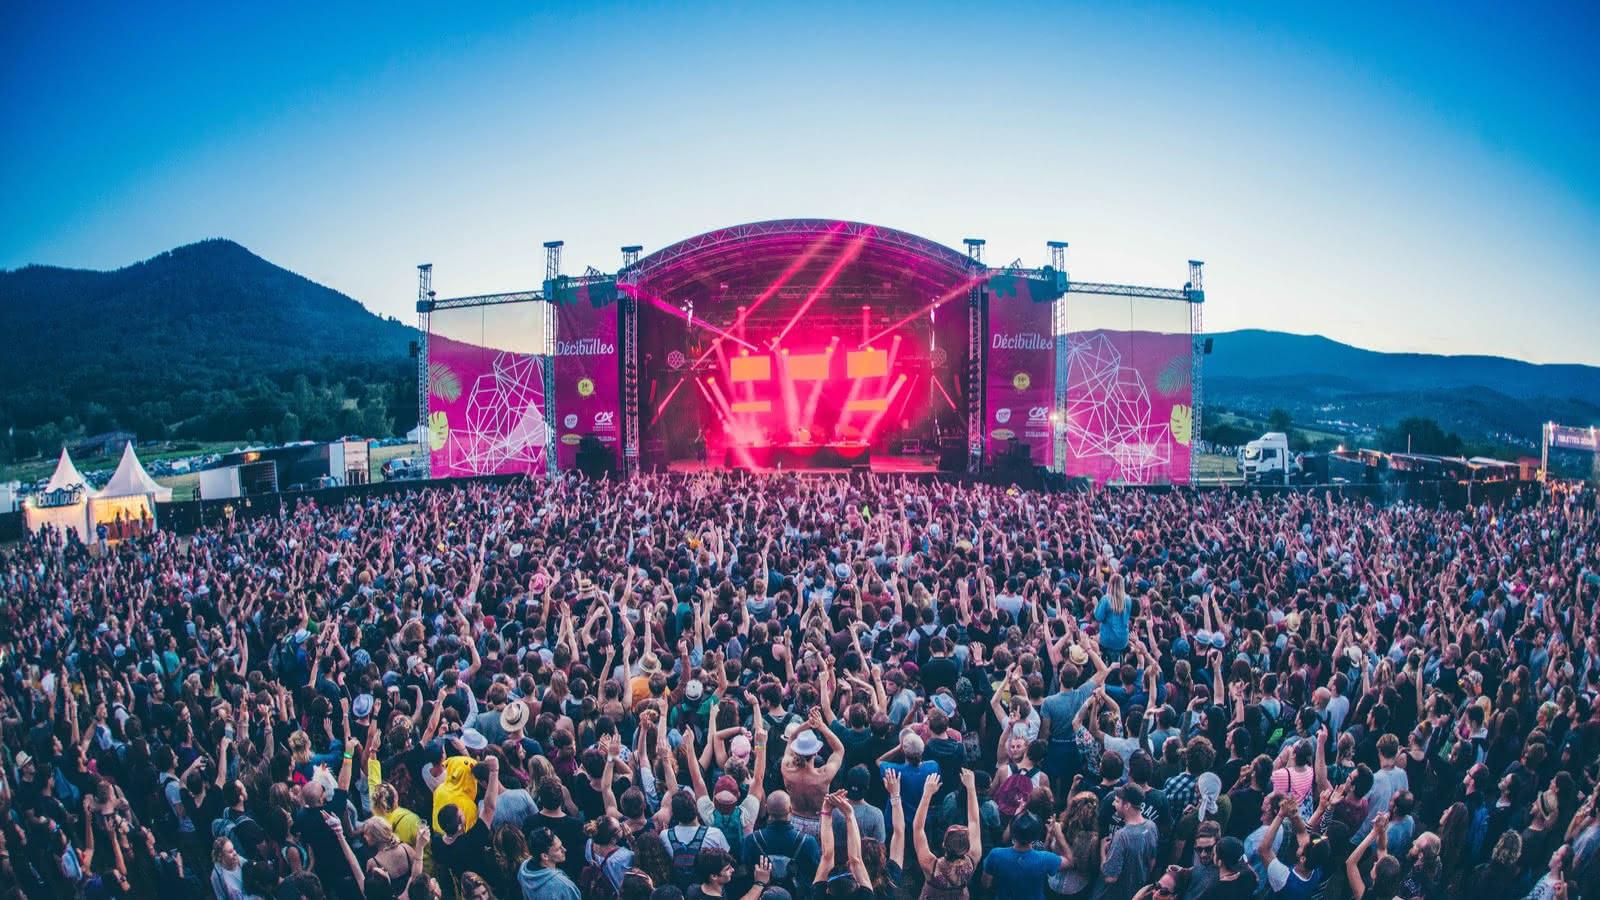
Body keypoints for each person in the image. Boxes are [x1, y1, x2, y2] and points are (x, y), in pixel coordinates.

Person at [522, 828, 582, 900]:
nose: (564, 850)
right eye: (558, 849)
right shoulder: (564, 886)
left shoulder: (523, 870)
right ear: (545, 856)